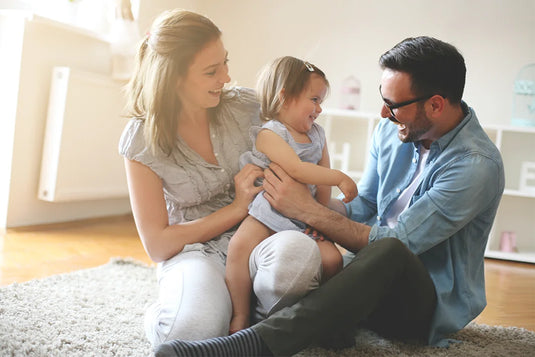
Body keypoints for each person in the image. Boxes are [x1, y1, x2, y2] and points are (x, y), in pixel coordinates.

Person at [153, 36, 505, 357]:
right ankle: (236, 320)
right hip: (365, 278)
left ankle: (252, 346)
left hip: (422, 305)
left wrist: (307, 210)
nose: (383, 113)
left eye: (392, 105)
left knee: (389, 250)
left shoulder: (475, 166)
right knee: (297, 262)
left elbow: (400, 242)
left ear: (436, 106)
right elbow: (364, 206)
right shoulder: (391, 131)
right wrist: (302, 203)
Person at [118, 9, 324, 348]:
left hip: (263, 235)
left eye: (225, 63)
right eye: (212, 71)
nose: (227, 77)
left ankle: (242, 313)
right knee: (189, 333)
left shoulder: (248, 106)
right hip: (195, 253)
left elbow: (310, 140)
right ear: (172, 78)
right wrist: (238, 207)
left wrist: (315, 209)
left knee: (300, 259)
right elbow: (158, 245)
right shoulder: (141, 140)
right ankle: (201, 308)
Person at [226, 56, 358, 334]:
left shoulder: (318, 135)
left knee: (333, 260)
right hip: (268, 210)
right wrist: (342, 177)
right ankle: (240, 314)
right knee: (238, 248)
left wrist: (320, 219)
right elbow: (297, 170)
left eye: (321, 101)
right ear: (285, 97)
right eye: (314, 99)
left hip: (303, 216)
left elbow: (322, 184)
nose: (319, 108)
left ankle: (323, 316)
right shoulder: (270, 133)